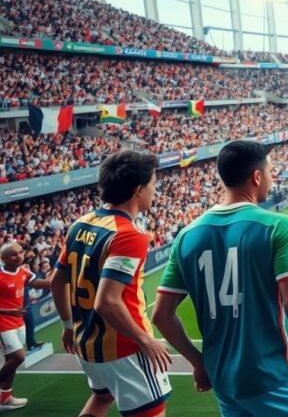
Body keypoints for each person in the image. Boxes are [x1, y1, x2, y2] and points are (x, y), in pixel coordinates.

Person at [153, 140, 288, 417]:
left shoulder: (186, 237)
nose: (272, 180)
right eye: (271, 172)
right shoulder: (277, 226)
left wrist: (199, 363)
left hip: (225, 382)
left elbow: (161, 315)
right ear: (257, 176)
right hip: (272, 373)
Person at [50, 150, 173, 417]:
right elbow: (107, 301)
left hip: (87, 344)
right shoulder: (130, 235)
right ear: (138, 190)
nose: (155, 191)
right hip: (125, 348)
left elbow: (57, 280)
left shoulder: (80, 224)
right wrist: (146, 341)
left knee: (101, 399)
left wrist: (68, 326)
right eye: (153, 185)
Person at [0, 243, 49, 410]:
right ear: (4, 258)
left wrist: (62, 276)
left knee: (11, 361)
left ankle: (5, 397)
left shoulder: (23, 272)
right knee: (18, 357)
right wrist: (8, 311)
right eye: (14, 254)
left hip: (18, 322)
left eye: (20, 252)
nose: (20, 256)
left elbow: (41, 283)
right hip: (3, 322)